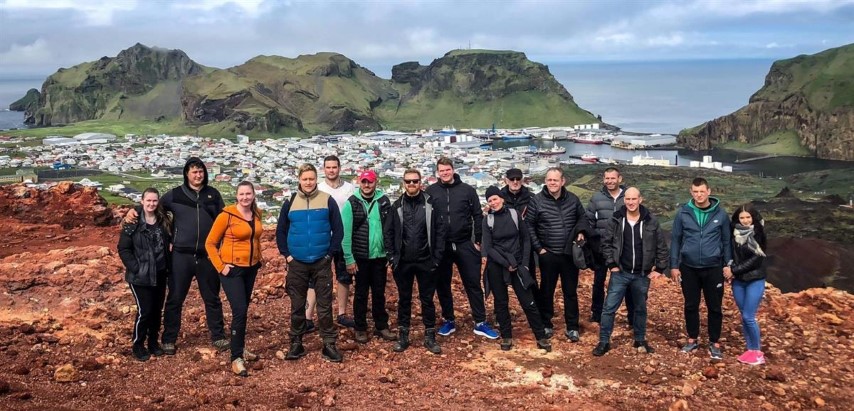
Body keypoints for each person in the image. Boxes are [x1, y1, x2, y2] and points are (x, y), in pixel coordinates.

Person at [127, 157, 228, 355]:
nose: (198, 175)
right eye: (194, 172)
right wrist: (136, 209)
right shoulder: (175, 195)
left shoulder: (213, 195)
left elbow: (223, 219)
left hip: (207, 255)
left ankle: (218, 336)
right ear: (187, 174)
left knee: (212, 298)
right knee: (175, 298)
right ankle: (169, 339)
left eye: (200, 171)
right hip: (181, 255)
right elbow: (154, 205)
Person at [276, 163, 345, 362]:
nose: (308, 182)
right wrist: (287, 255)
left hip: (321, 261)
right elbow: (281, 231)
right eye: (305, 179)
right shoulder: (290, 202)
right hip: (297, 262)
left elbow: (338, 230)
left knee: (324, 305)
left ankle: (329, 344)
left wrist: (329, 255)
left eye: (311, 179)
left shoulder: (327, 200)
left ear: (317, 179)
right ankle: (296, 343)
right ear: (299, 180)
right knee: (297, 304)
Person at [426, 157, 498, 339]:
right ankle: (448, 319)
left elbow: (477, 215)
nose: (445, 173)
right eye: (441, 170)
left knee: (472, 283)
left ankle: (480, 321)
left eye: (447, 170)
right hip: (441, 245)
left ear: (453, 170)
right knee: (443, 284)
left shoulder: (467, 190)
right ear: (437, 172)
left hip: (465, 243)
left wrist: (478, 241)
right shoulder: (431, 191)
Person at [592, 187, 668, 356]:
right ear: (624, 200)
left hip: (642, 274)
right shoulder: (616, 219)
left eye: (634, 199)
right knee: (609, 308)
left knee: (640, 308)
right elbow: (606, 243)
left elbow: (661, 245)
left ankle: (640, 340)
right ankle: (604, 341)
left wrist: (660, 268)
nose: (631, 202)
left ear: (640, 199)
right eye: (628, 199)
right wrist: (612, 264)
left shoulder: (651, 221)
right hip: (621, 272)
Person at [481, 186, 552, 352]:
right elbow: (489, 248)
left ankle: (540, 336)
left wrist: (525, 264)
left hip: (518, 263)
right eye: (490, 200)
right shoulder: (487, 220)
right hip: (498, 265)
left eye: (495, 199)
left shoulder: (514, 214)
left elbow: (525, 239)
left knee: (528, 302)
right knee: (501, 302)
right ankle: (506, 336)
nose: (493, 203)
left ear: (502, 199)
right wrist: (507, 264)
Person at [385, 169, 446, 354]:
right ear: (403, 183)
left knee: (427, 299)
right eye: (408, 181)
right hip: (403, 262)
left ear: (420, 182)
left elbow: (440, 231)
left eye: (415, 181)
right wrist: (391, 257)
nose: (411, 184)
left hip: (425, 260)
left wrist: (436, 257)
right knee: (404, 299)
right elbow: (388, 232)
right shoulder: (397, 205)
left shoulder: (430, 204)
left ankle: (429, 336)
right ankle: (403, 335)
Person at [670, 177, 732, 360]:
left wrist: (728, 264)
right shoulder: (683, 213)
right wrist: (674, 265)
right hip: (689, 267)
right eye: (695, 191)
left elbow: (727, 241)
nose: (699, 195)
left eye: (702, 191)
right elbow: (676, 240)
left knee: (714, 307)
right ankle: (692, 339)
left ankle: (714, 343)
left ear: (709, 192)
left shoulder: (720, 215)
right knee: (691, 305)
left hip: (713, 268)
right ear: (691, 192)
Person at [205, 181, 263, 376]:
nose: (245, 197)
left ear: (253, 195)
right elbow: (210, 243)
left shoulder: (256, 214)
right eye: (242, 194)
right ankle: (236, 357)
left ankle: (240, 347)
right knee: (239, 311)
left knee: (243, 310)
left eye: (248, 194)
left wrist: (259, 259)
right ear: (236, 196)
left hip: (251, 268)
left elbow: (255, 239)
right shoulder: (226, 215)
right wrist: (221, 267)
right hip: (232, 270)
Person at [525, 167, 589, 342]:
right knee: (547, 291)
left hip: (569, 253)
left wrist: (581, 231)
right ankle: (546, 324)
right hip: (549, 254)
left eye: (555, 180)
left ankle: (572, 327)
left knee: (570, 292)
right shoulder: (537, 201)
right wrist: (540, 249)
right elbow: (529, 226)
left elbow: (582, 218)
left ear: (563, 181)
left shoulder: (573, 199)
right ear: (546, 181)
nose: (552, 183)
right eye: (549, 180)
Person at [341, 170, 396, 343]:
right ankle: (360, 327)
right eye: (364, 182)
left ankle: (381, 326)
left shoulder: (384, 201)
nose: (366, 185)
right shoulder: (352, 203)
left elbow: (390, 228)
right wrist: (349, 258)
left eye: (370, 182)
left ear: (375, 182)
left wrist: (390, 252)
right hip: (361, 256)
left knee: (379, 293)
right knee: (361, 293)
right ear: (359, 182)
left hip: (379, 256)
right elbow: (345, 233)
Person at [117, 188, 171, 362]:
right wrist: (135, 268)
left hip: (160, 273)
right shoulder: (132, 222)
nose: (151, 204)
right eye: (148, 201)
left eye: (154, 201)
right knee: (145, 311)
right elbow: (123, 248)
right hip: (140, 276)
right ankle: (138, 344)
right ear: (142, 201)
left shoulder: (163, 220)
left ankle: (153, 342)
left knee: (156, 310)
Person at [312, 155, 356, 330]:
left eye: (334, 167)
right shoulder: (318, 189)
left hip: (344, 237)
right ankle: (309, 316)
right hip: (323, 237)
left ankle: (342, 313)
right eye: (328, 167)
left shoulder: (349, 188)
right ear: (324, 169)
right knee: (317, 275)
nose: (331, 170)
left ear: (339, 168)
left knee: (344, 276)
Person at [585, 167, 634, 324]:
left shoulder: (628, 197)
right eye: (607, 178)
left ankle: (632, 316)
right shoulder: (596, 198)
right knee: (599, 281)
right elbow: (589, 221)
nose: (609, 181)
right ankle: (597, 313)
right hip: (601, 248)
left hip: (623, 248)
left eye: (613, 178)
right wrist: (594, 241)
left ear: (620, 179)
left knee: (627, 283)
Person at [729, 204, 768, 366]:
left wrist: (734, 270)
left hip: (755, 279)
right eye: (742, 217)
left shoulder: (759, 233)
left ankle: (757, 352)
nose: (745, 221)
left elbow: (757, 259)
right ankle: (750, 349)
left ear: (754, 218)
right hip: (739, 281)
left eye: (748, 217)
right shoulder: (734, 234)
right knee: (744, 315)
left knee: (748, 316)